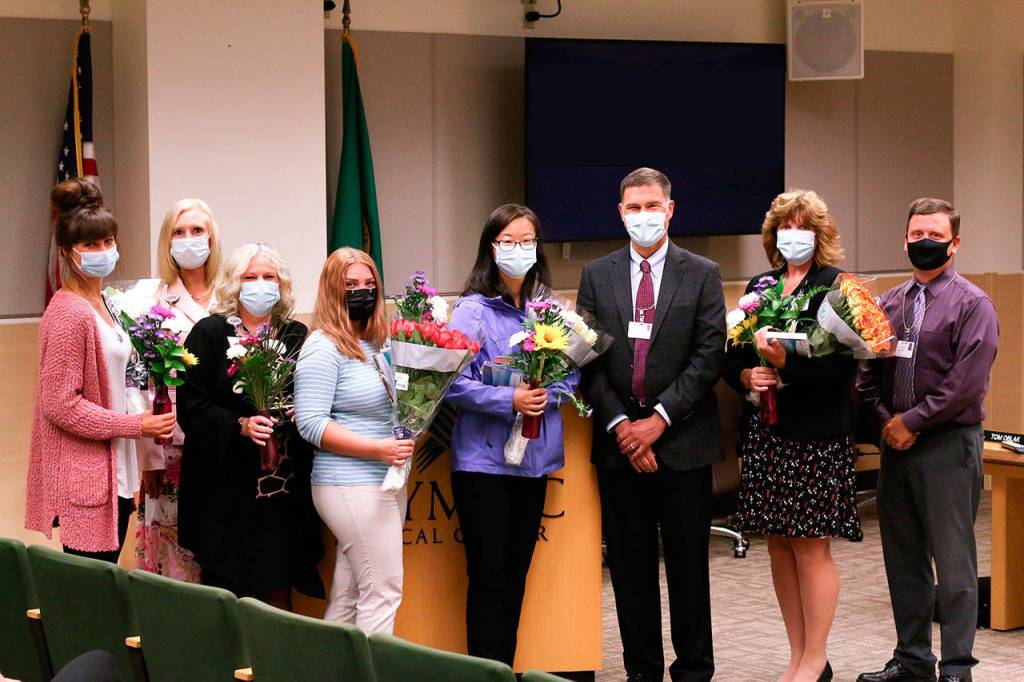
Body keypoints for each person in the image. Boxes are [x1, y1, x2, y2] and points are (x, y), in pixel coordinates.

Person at [577, 167, 726, 682]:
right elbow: (586, 359)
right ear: (621, 213)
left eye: (652, 206)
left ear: (670, 210)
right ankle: (642, 671)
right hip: (619, 447)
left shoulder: (702, 272)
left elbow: (708, 356)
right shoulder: (597, 275)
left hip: (683, 443)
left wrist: (658, 420)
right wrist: (623, 424)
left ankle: (694, 672)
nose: (644, 216)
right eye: (634, 208)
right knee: (629, 569)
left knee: (689, 570)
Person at [857, 199, 998, 682]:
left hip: (947, 445)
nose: (925, 242)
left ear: (954, 243)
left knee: (954, 563)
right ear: (905, 241)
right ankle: (912, 660)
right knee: (904, 559)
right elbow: (867, 372)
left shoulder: (973, 304)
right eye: (917, 234)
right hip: (895, 445)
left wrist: (912, 422)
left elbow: (966, 384)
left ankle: (957, 667)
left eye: (935, 235)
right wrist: (886, 423)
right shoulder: (888, 303)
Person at [723, 190, 861, 682]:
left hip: (816, 437)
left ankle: (816, 657)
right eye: (785, 227)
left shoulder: (837, 287)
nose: (792, 235)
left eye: (802, 227)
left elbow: (845, 369)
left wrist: (790, 365)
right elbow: (733, 355)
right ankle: (798, 656)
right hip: (768, 434)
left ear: (819, 235)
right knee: (778, 545)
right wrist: (747, 376)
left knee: (810, 546)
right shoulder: (761, 286)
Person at [444, 204, 578, 666]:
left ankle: (505, 669)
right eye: (508, 241)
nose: (518, 249)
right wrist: (509, 399)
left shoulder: (551, 310)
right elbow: (450, 383)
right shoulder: (471, 310)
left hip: (534, 461)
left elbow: (571, 375)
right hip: (483, 464)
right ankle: (486, 673)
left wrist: (546, 393)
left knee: (516, 577)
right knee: (489, 579)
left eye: (527, 241)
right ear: (491, 247)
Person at [25, 178, 175, 562]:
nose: (104, 250)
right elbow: (60, 404)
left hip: (116, 470)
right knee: (90, 589)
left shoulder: (106, 302)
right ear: (67, 250)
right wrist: (134, 425)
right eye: (91, 244)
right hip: (85, 479)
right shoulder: (69, 312)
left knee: (105, 582)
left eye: (108, 241)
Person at [177, 242, 323, 609]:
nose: (260, 284)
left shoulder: (294, 335)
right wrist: (239, 425)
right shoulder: (208, 333)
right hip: (224, 493)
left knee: (279, 587)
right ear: (234, 284)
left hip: (280, 491)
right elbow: (190, 406)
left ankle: (278, 648)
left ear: (281, 284)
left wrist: (297, 412)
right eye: (250, 277)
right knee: (228, 595)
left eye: (268, 277)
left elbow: (310, 394)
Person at [294, 247, 411, 634]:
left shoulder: (378, 343)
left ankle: (328, 665)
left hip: (386, 478)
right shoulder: (322, 347)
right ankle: (375, 665)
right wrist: (377, 448)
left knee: (349, 594)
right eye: (350, 285)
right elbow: (311, 423)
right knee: (383, 591)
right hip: (349, 483)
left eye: (369, 284)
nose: (363, 291)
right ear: (332, 290)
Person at [136, 198, 222, 581]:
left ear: (211, 238)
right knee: (173, 556)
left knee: (218, 552)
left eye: (197, 231)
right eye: (179, 232)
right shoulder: (154, 304)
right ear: (167, 242)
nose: (189, 239)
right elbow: (143, 385)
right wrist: (149, 459)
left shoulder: (231, 297)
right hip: (171, 444)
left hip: (221, 441)